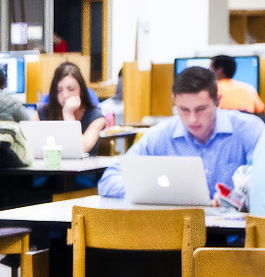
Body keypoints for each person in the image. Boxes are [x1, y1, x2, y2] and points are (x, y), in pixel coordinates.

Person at [97, 66, 265, 199]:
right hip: (176, 234)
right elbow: (109, 179)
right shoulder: (161, 135)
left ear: (217, 101)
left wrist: (236, 198)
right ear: (174, 101)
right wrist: (151, 191)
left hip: (237, 236)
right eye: (184, 110)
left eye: (201, 109)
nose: (193, 120)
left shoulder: (249, 130)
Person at [35, 61, 107, 152]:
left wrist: (68, 114)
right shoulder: (41, 113)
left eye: (71, 89)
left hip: (85, 166)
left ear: (81, 90)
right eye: (59, 90)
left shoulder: (96, 117)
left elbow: (81, 148)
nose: (65, 95)